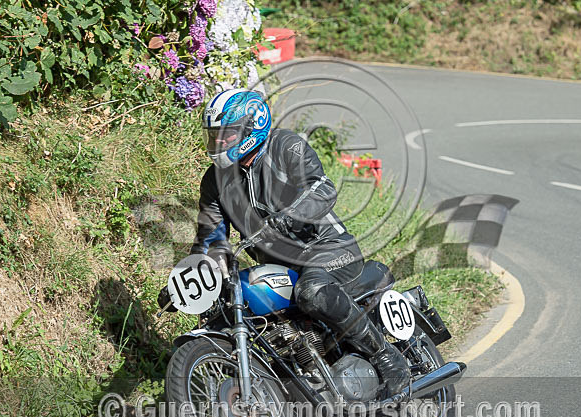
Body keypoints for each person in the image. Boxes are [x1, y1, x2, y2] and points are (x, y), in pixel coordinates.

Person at [159, 88, 410, 396]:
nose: (219, 143)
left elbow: (321, 188)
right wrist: (188, 281)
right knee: (229, 309)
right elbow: (211, 238)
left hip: (327, 248)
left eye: (227, 135)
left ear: (252, 128)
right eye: (214, 136)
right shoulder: (215, 180)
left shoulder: (285, 146)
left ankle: (386, 355)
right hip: (280, 267)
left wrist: (289, 216)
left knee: (312, 293)